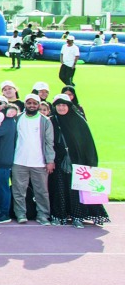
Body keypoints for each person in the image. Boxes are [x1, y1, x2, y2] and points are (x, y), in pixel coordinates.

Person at [48, 94, 109, 228]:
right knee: (59, 188)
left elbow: (88, 142)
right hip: (57, 160)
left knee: (77, 189)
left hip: (78, 160)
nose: (61, 108)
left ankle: (78, 217)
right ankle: (59, 216)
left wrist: (92, 162)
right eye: (58, 105)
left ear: (69, 106)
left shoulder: (78, 120)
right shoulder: (51, 121)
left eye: (64, 105)